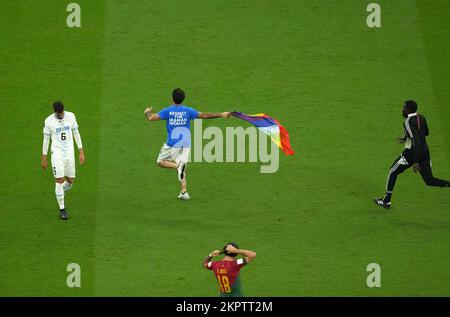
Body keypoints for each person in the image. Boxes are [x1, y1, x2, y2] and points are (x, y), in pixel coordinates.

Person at [144, 88, 230, 200]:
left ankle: (177, 166)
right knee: (181, 168)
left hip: (172, 144)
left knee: (160, 162)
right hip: (186, 144)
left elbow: (151, 118)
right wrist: (221, 114)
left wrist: (147, 111)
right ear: (183, 99)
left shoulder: (168, 111)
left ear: (172, 98)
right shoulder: (188, 111)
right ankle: (184, 192)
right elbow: (204, 115)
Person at [374, 100, 450, 208]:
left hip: (411, 154)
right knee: (429, 180)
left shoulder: (408, 121)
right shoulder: (421, 117)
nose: (402, 110)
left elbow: (416, 142)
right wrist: (406, 138)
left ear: (408, 110)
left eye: (403, 108)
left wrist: (415, 161)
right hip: (424, 152)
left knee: (392, 171)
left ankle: (386, 201)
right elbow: (425, 133)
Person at [41, 101, 85, 219]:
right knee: (59, 180)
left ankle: (59, 194)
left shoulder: (71, 116)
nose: (60, 115)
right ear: (54, 111)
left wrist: (81, 151)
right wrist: (44, 158)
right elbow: (46, 140)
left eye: (61, 113)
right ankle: (62, 209)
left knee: (70, 180)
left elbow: (76, 133)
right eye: (58, 114)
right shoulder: (48, 121)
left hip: (69, 154)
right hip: (57, 154)